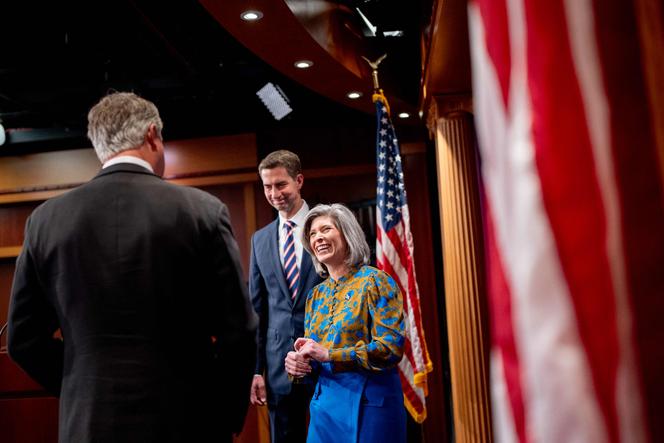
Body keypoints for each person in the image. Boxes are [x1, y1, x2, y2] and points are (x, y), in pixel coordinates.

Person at [7, 92, 257, 443]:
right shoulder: (202, 211)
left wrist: (80, 383)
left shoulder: (46, 220)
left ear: (100, 146)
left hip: (89, 423)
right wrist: (224, 414)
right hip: (189, 422)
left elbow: (23, 340)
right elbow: (239, 332)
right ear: (153, 135)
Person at [285, 203, 407, 443]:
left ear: (347, 233)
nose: (318, 237)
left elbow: (391, 349)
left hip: (371, 404)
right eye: (312, 234)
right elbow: (315, 361)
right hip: (325, 411)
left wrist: (330, 355)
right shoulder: (315, 296)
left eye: (326, 229)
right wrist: (299, 365)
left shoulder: (375, 281)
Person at [249, 150, 323, 443]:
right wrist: (256, 370)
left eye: (281, 184)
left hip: (326, 358)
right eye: (267, 186)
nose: (274, 193)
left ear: (299, 180)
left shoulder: (327, 226)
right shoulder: (261, 239)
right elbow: (257, 310)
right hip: (279, 364)